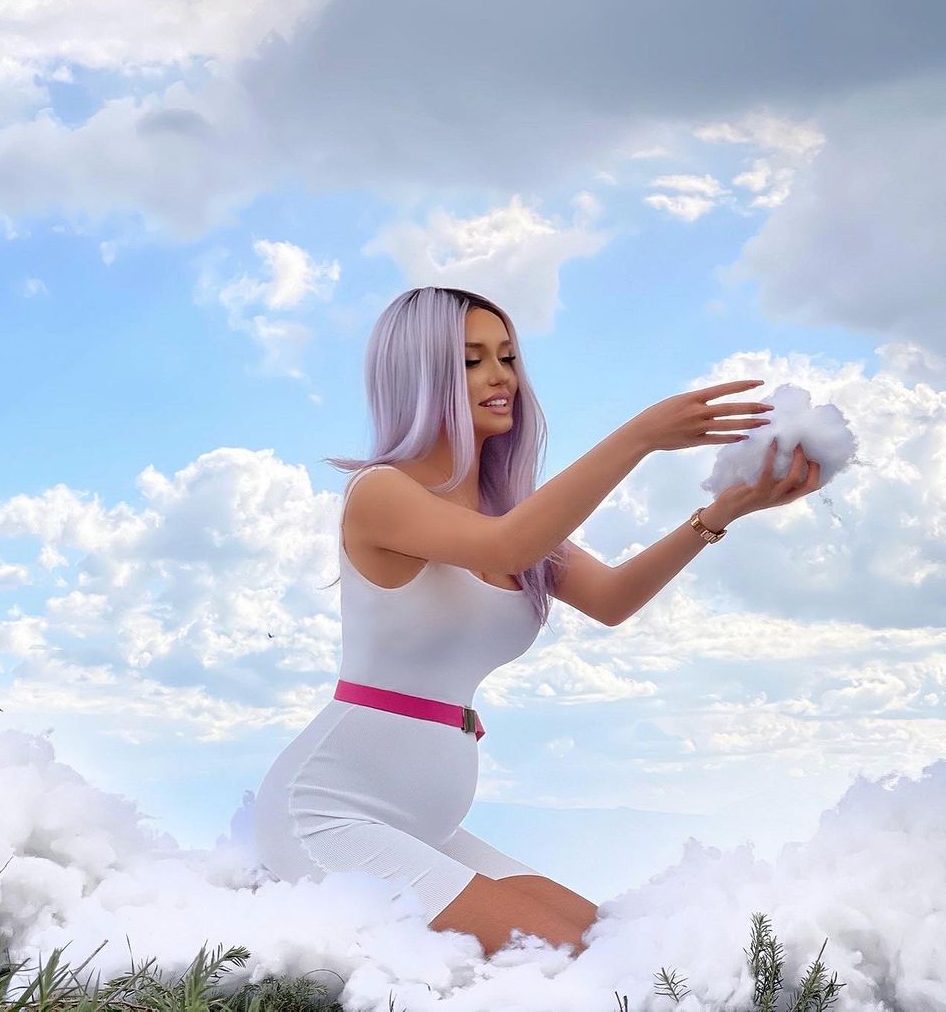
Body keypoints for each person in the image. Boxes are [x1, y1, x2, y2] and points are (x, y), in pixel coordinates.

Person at [253, 286, 820, 959]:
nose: (501, 377)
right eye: (471, 360)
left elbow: (611, 598)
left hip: (422, 824)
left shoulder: (504, 511)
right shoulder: (381, 493)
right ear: (418, 377)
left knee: (620, 947)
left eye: (508, 357)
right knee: (577, 966)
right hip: (327, 815)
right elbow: (508, 550)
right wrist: (640, 437)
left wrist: (721, 514)